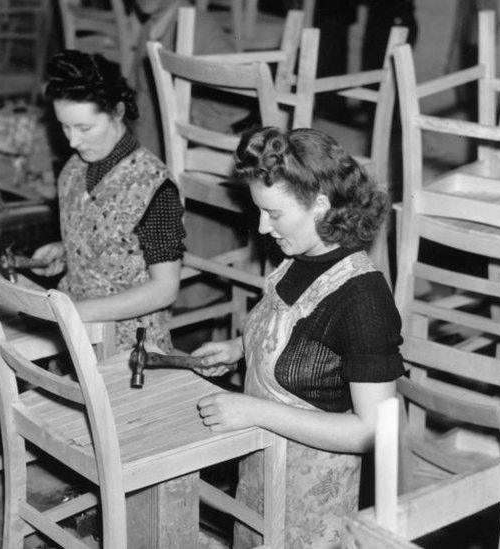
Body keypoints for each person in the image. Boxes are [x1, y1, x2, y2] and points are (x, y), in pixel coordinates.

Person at [192, 127, 405, 547]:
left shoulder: (363, 299)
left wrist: (255, 412)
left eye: (273, 213)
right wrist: (240, 349)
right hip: (261, 477)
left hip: (316, 505)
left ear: (321, 207)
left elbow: (370, 431)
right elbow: (296, 338)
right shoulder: (297, 259)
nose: (262, 227)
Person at [31, 50, 186, 352]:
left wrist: (78, 313)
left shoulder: (155, 188)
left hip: (131, 346)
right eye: (65, 127)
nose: (73, 141)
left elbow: (165, 289)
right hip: (76, 330)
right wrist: (67, 251)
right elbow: (110, 237)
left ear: (117, 111)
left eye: (85, 128)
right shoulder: (73, 170)